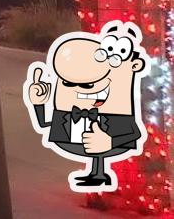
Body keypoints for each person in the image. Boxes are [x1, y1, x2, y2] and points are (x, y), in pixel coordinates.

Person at [24, 21, 148, 192]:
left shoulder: (117, 115)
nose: (80, 89)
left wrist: (110, 142)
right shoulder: (66, 113)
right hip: (74, 143)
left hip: (106, 140)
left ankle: (99, 173)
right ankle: (95, 173)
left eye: (88, 85)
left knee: (98, 143)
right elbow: (44, 124)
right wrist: (38, 103)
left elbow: (134, 133)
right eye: (67, 83)